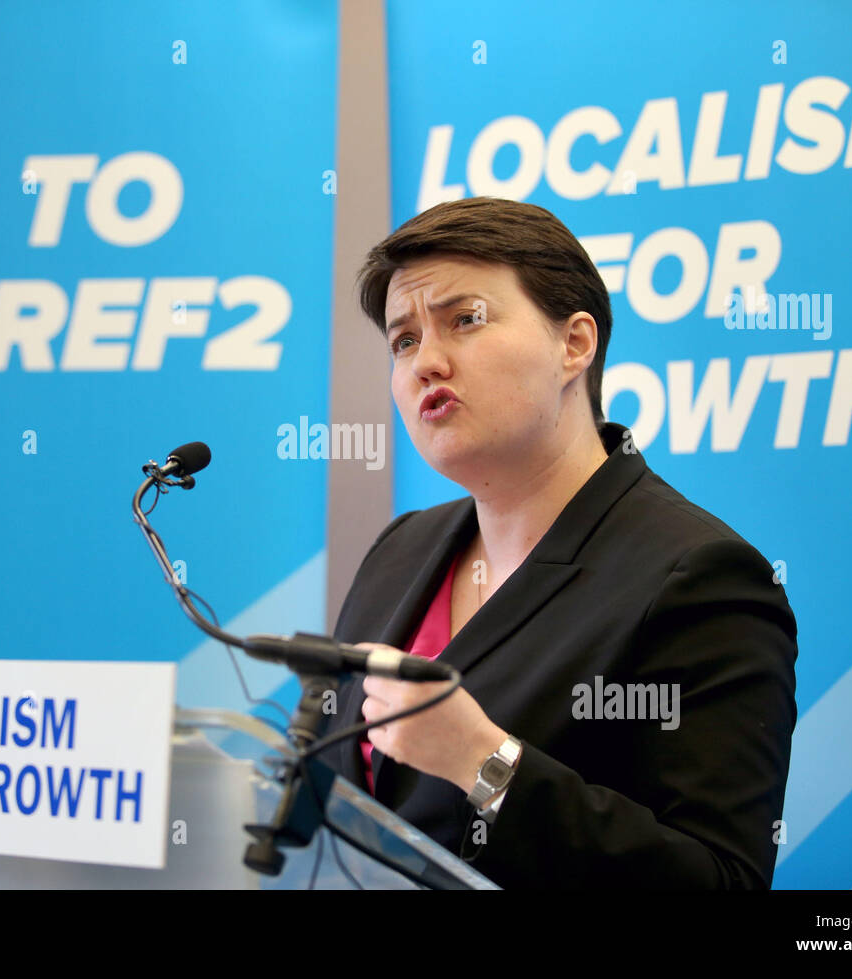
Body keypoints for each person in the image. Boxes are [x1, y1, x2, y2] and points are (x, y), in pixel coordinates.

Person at [323, 196, 798, 889]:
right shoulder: (400, 550)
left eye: (464, 320)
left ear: (574, 343)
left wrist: (486, 762)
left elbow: (720, 880)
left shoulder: (700, 577)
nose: (426, 361)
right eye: (404, 340)